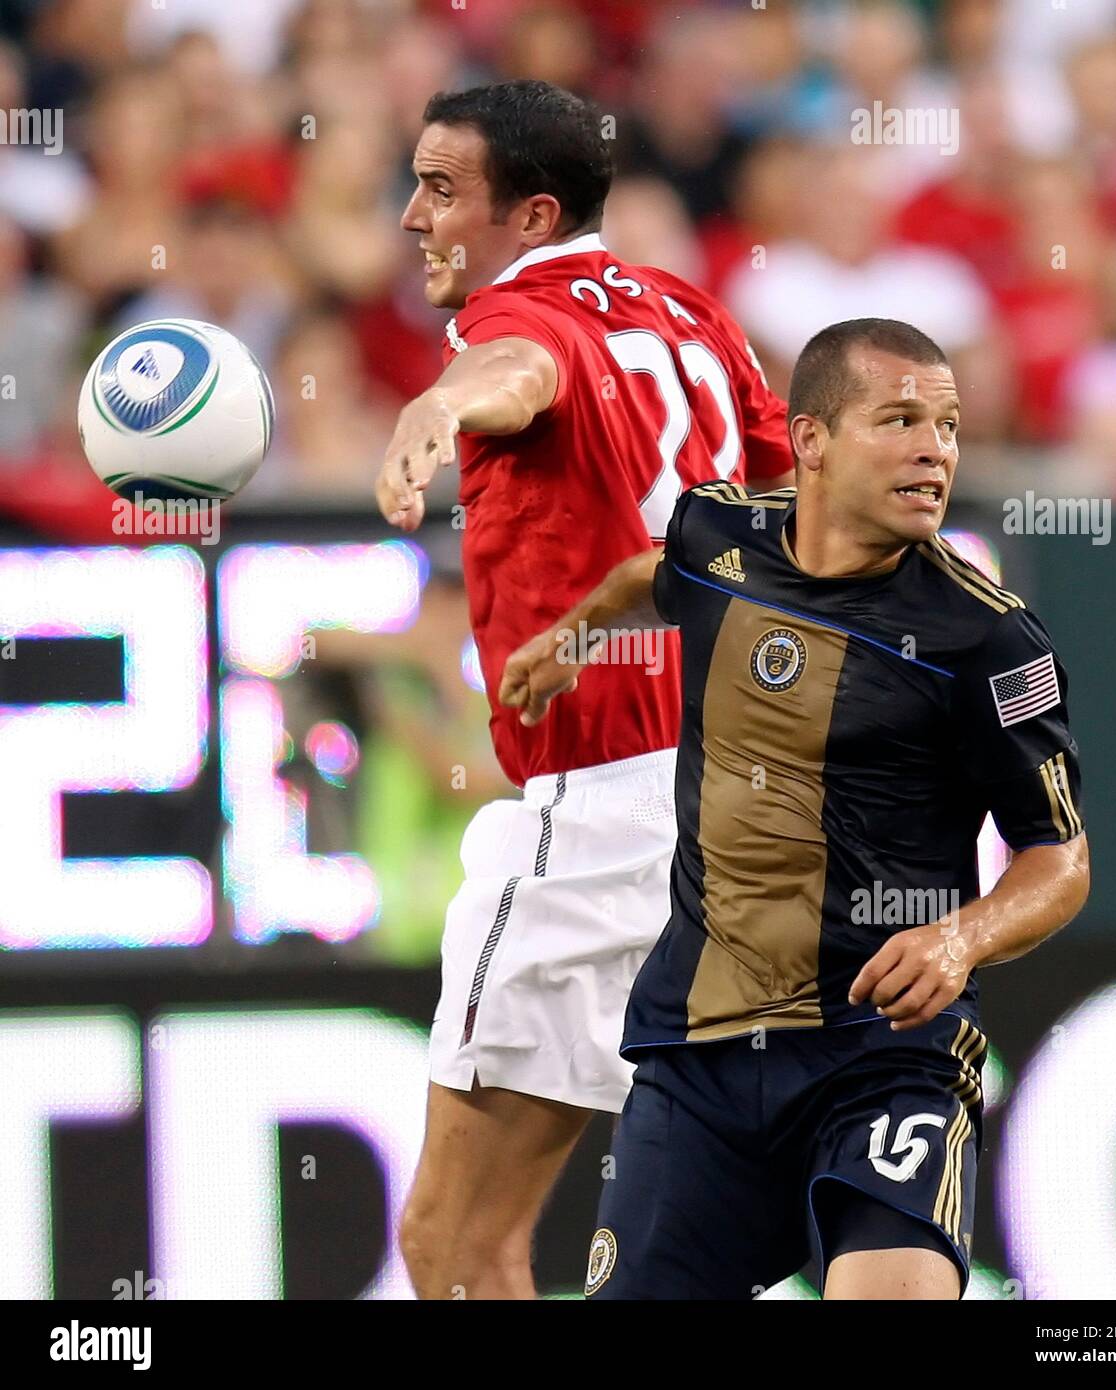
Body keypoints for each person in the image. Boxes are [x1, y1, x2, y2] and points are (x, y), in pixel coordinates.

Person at [500, 318, 1090, 1300]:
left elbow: (1057, 857)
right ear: (808, 440)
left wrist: (959, 939)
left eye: (944, 426)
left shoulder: (986, 643)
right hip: (698, 1057)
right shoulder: (714, 536)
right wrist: (576, 634)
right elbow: (652, 574)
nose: (932, 449)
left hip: (881, 1053)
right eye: (898, 420)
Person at [376, 78, 793, 1299]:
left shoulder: (519, 321)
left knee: (455, 1243)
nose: (411, 216)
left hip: (602, 814)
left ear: (532, 214)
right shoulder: (696, 318)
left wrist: (436, 406)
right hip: (754, 806)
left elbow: (518, 371)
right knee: (705, 1245)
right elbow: (791, 515)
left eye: (441, 189)